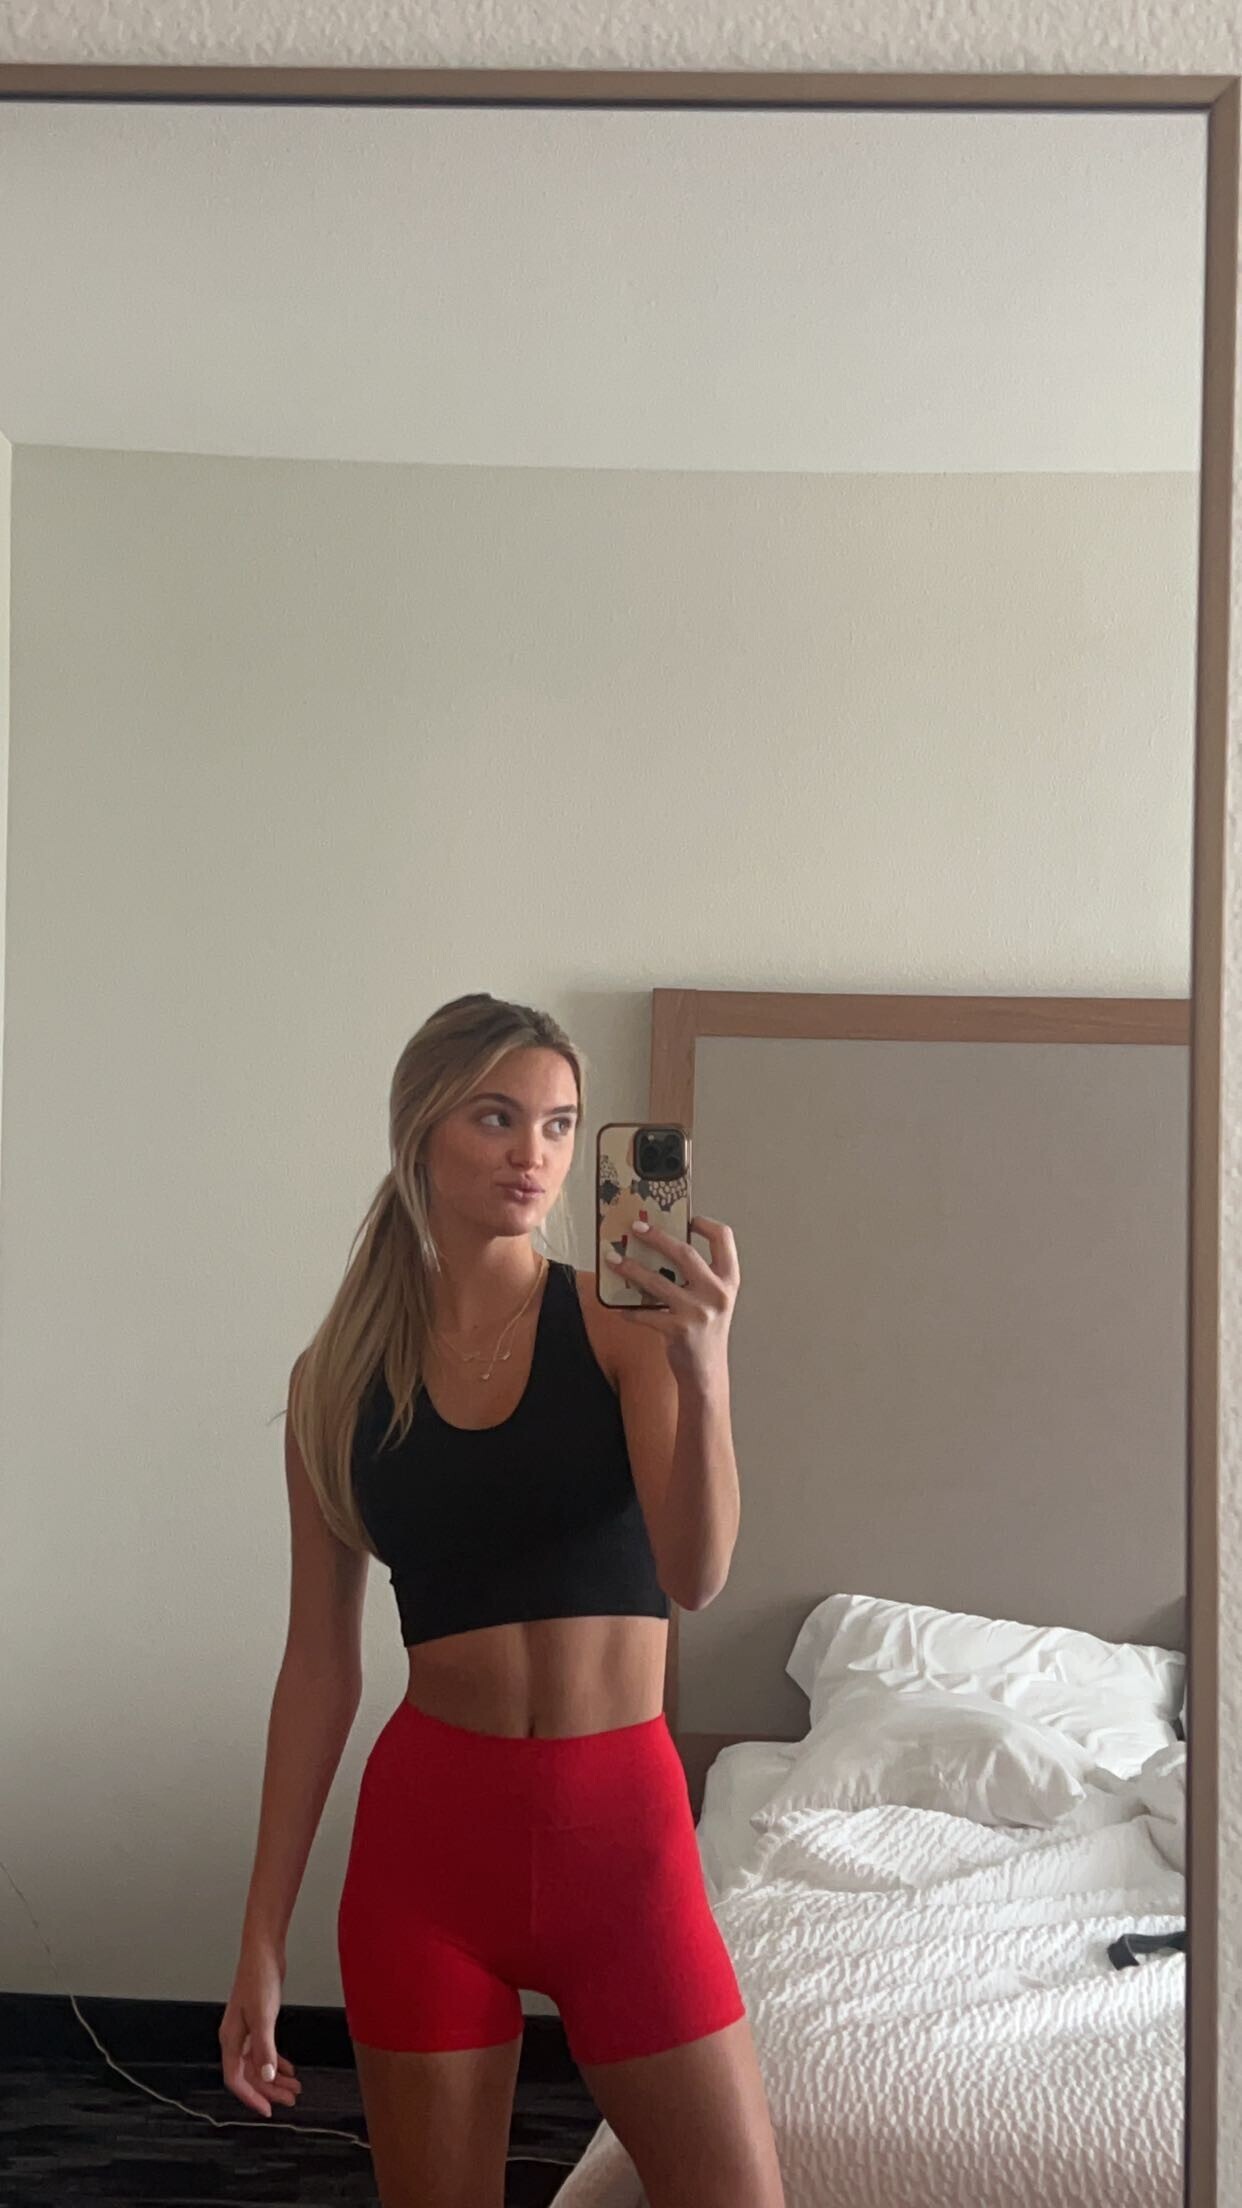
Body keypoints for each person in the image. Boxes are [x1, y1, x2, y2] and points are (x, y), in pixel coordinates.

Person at [218, 992, 786, 2208]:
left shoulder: (623, 1328)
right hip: (430, 1853)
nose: (534, 1152)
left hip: (622, 1844)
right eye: (496, 1117)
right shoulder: (335, 1381)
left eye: (560, 1124)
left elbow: (696, 1574)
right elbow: (318, 1666)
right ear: (421, 1132)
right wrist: (261, 1937)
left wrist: (706, 1372)